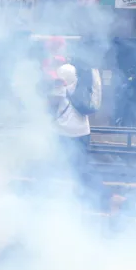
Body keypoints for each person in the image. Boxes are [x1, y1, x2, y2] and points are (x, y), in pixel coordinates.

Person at [52, 61, 102, 200]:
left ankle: (63, 196)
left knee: (60, 164)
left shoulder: (60, 89)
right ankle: (84, 195)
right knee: (81, 167)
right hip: (83, 132)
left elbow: (51, 106)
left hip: (63, 132)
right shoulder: (82, 88)